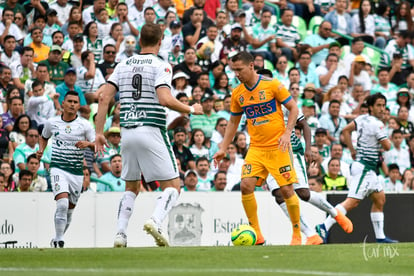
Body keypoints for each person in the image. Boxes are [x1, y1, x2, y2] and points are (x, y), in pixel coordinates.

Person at [94, 23, 203, 248]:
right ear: (160, 40)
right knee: (173, 185)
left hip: (127, 131)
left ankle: (120, 234)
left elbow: (104, 97)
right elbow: (164, 99)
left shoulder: (123, 64)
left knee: (131, 187)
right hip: (151, 128)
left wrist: (98, 132)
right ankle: (155, 221)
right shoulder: (161, 65)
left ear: (140, 40)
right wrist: (191, 108)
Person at [213, 51, 302, 245]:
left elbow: (294, 108)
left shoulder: (273, 85)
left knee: (287, 190)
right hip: (257, 148)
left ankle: (296, 233)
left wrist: (287, 133)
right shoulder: (237, 93)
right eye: (233, 70)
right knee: (246, 185)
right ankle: (257, 234)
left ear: (251, 66)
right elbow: (233, 122)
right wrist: (223, 147)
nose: (236, 74)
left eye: (239, 69)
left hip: (278, 146)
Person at [316, 93, 398, 244]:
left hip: (367, 168)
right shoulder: (377, 124)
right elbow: (387, 146)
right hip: (365, 169)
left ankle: (380, 237)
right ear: (371, 107)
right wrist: (385, 129)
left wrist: (353, 150)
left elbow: (345, 131)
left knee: (380, 199)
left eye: (383, 105)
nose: (382, 108)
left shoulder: (361, 118)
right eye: (378, 105)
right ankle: (324, 226)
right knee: (352, 202)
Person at [266, 108, 352, 245]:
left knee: (303, 193)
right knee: (279, 194)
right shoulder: (255, 105)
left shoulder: (285, 103)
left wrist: (307, 148)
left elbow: (304, 125)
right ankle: (311, 235)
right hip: (268, 155)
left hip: (292, 152)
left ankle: (335, 213)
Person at [37, 91, 95, 248]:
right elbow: (43, 136)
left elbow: (98, 145)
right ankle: (59, 240)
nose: (72, 104)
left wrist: (88, 144)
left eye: (75, 102)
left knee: (69, 210)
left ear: (78, 105)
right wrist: (41, 150)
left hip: (76, 172)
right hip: (58, 168)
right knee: (62, 204)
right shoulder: (52, 122)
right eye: (69, 101)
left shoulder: (85, 125)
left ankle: (57, 238)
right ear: (63, 103)